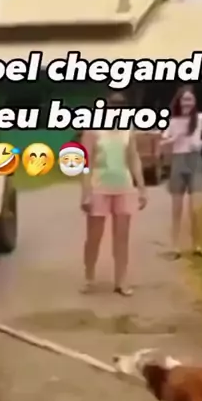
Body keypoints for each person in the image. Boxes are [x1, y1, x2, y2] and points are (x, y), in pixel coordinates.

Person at [80, 93, 147, 294]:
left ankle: (121, 280)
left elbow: (133, 158)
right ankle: (89, 277)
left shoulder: (128, 130)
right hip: (99, 186)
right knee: (94, 236)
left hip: (123, 186)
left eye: (120, 107)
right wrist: (85, 193)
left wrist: (141, 187)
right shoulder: (93, 130)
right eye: (112, 107)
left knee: (122, 237)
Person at [161, 86, 202, 258]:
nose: (187, 103)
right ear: (179, 101)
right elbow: (163, 141)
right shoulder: (173, 121)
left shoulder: (200, 118)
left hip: (194, 161)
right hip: (178, 161)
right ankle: (175, 246)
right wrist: (172, 139)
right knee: (176, 208)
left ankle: (197, 245)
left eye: (190, 99)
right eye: (184, 99)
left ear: (194, 101)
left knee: (195, 209)